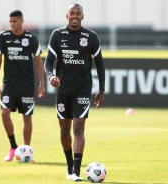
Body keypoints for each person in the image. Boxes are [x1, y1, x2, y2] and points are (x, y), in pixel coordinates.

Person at [44, 4, 105, 181]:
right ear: (67, 15)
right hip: (63, 89)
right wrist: (51, 76)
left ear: (82, 17)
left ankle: (77, 171)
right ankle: (69, 165)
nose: (75, 16)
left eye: (78, 14)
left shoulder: (91, 37)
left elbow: (100, 64)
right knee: (64, 130)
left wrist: (101, 90)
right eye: (72, 13)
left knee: (78, 127)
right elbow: (48, 62)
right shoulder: (57, 35)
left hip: (83, 89)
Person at [0, 10, 45, 162]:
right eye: (10, 22)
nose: (12, 24)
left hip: (27, 85)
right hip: (9, 84)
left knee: (27, 118)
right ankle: (13, 147)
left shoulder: (31, 39)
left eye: (14, 21)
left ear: (22, 21)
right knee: (4, 113)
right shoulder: (4, 37)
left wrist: (41, 83)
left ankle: (27, 151)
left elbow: (38, 61)